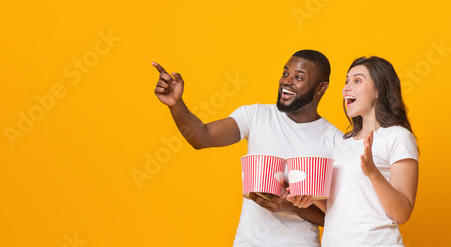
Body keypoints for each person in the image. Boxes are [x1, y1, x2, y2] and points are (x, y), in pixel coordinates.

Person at [152, 49, 343, 246]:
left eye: (298, 77)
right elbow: (202, 137)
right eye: (285, 73)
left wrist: (292, 207)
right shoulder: (256, 115)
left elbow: (341, 220)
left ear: (320, 88)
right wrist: (176, 104)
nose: (286, 81)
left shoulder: (336, 141)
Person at [288, 56, 419, 246]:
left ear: (379, 90)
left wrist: (372, 173)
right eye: (347, 81)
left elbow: (402, 213)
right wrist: (309, 197)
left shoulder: (398, 137)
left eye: (357, 81)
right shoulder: (341, 142)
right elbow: (339, 207)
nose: (346, 88)